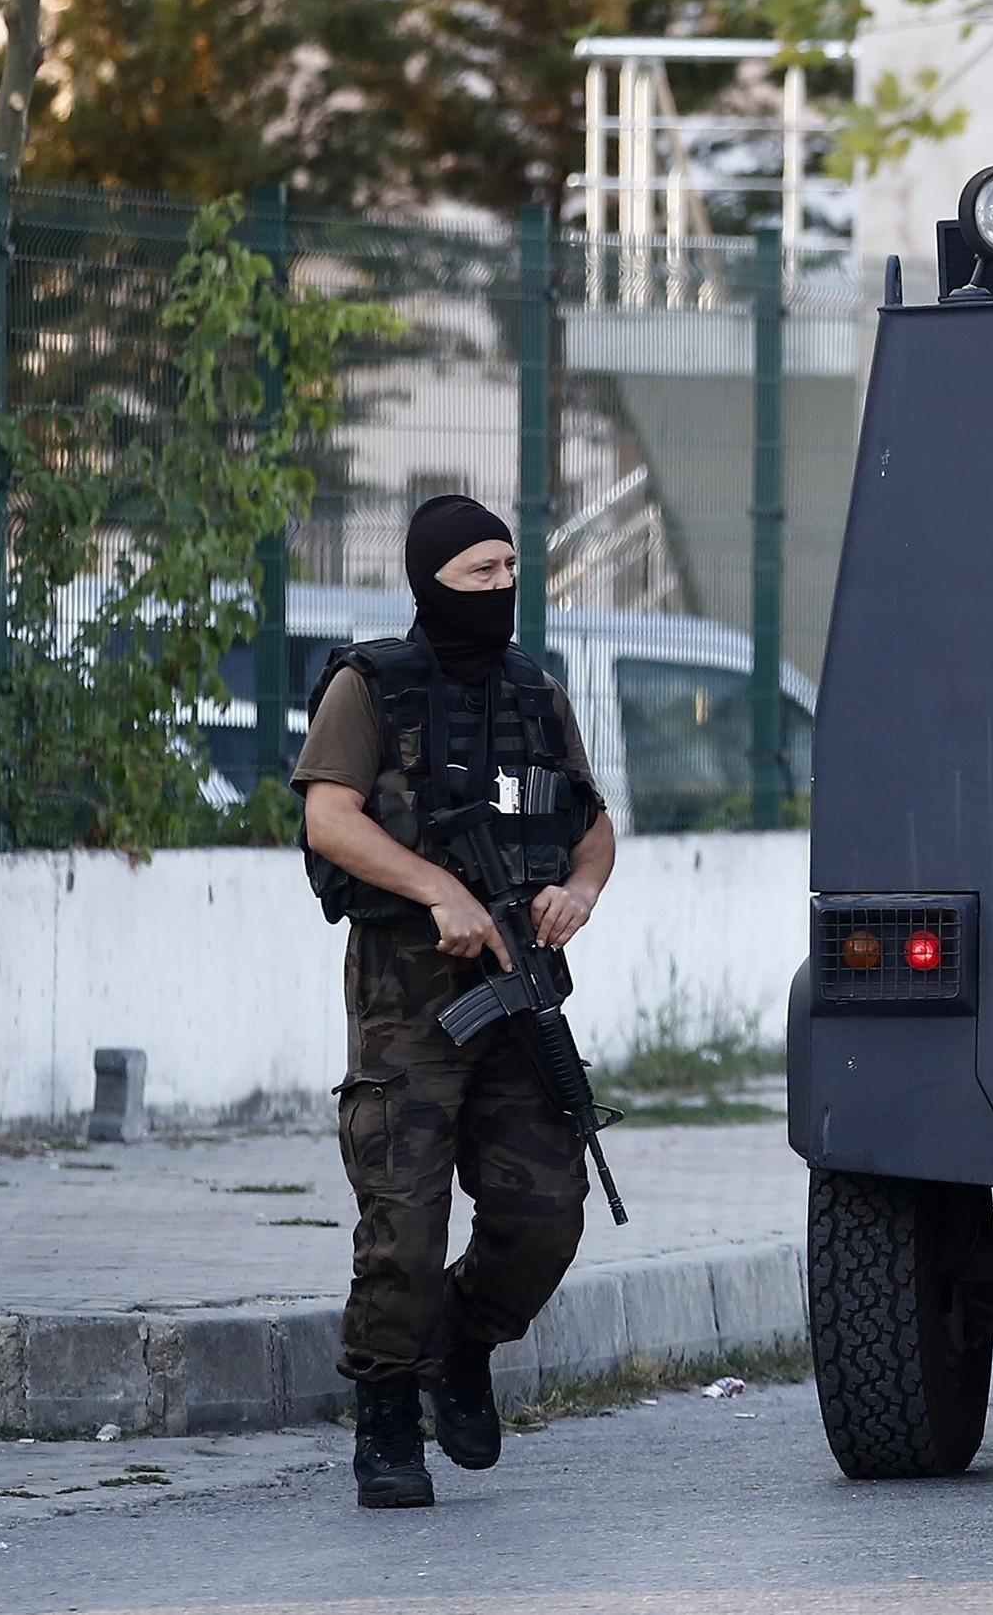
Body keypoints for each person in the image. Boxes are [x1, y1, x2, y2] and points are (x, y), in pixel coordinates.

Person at [295, 495, 617, 1511]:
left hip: (519, 986)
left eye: (512, 570)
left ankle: (463, 1346)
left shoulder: (535, 692)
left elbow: (592, 825)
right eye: (480, 573)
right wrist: (439, 889)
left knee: (545, 1217)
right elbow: (329, 821)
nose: (502, 589)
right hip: (408, 994)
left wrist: (581, 891)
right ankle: (387, 1420)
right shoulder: (370, 687)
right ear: (430, 578)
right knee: (402, 1223)